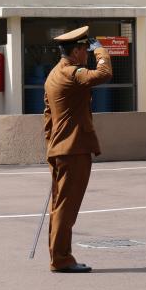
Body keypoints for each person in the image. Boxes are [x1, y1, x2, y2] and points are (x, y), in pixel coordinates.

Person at [42, 26, 112, 273]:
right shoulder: (71, 72)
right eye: (86, 49)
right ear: (77, 51)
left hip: (61, 147)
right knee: (66, 207)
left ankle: (60, 255)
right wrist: (102, 51)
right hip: (72, 148)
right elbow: (103, 74)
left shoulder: (54, 74)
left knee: (62, 205)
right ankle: (61, 259)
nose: (88, 54)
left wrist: (52, 144)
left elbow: (48, 116)